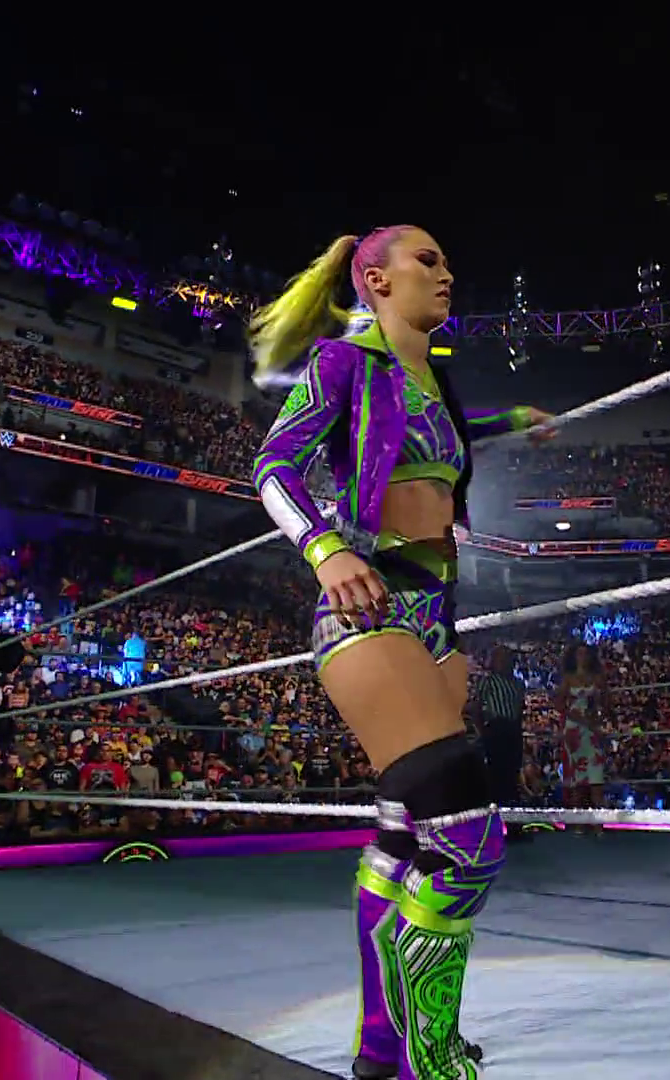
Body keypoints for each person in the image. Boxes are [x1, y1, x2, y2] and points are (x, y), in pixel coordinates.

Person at [249, 225, 553, 1080]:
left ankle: (380, 1049)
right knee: (467, 839)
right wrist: (323, 550)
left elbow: (442, 434)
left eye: (447, 260)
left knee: (406, 833)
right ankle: (428, 1055)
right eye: (428, 260)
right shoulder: (344, 363)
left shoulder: (435, 384)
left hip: (436, 618)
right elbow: (274, 465)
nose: (446, 272)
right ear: (376, 280)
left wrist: (513, 420)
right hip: (368, 603)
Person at [469, 646, 526, 836]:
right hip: (496, 729)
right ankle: (491, 827)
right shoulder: (488, 681)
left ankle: (514, 826)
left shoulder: (518, 684)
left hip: (513, 730)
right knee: (496, 777)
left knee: (512, 777)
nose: (504, 662)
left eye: (507, 658)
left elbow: (519, 708)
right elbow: (476, 707)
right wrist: (483, 731)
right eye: (500, 658)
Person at [557, 644, 608, 822]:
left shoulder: (598, 678)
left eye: (585, 654)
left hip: (592, 729)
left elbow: (607, 702)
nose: (582, 657)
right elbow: (559, 704)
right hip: (575, 730)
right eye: (579, 653)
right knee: (577, 780)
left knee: (596, 778)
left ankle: (598, 824)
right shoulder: (568, 678)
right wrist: (576, 716)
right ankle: (580, 823)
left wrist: (598, 718)